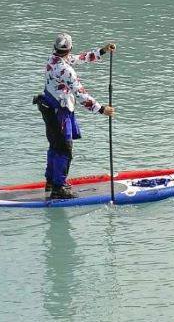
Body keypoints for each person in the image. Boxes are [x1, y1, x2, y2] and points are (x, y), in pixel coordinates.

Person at [37, 32, 115, 199]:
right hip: (59, 113)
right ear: (69, 48)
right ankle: (59, 188)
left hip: (49, 108)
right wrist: (102, 109)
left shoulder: (53, 60)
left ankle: (50, 181)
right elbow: (80, 95)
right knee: (64, 150)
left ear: (55, 48)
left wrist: (102, 51)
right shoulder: (66, 70)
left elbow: (79, 58)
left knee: (55, 146)